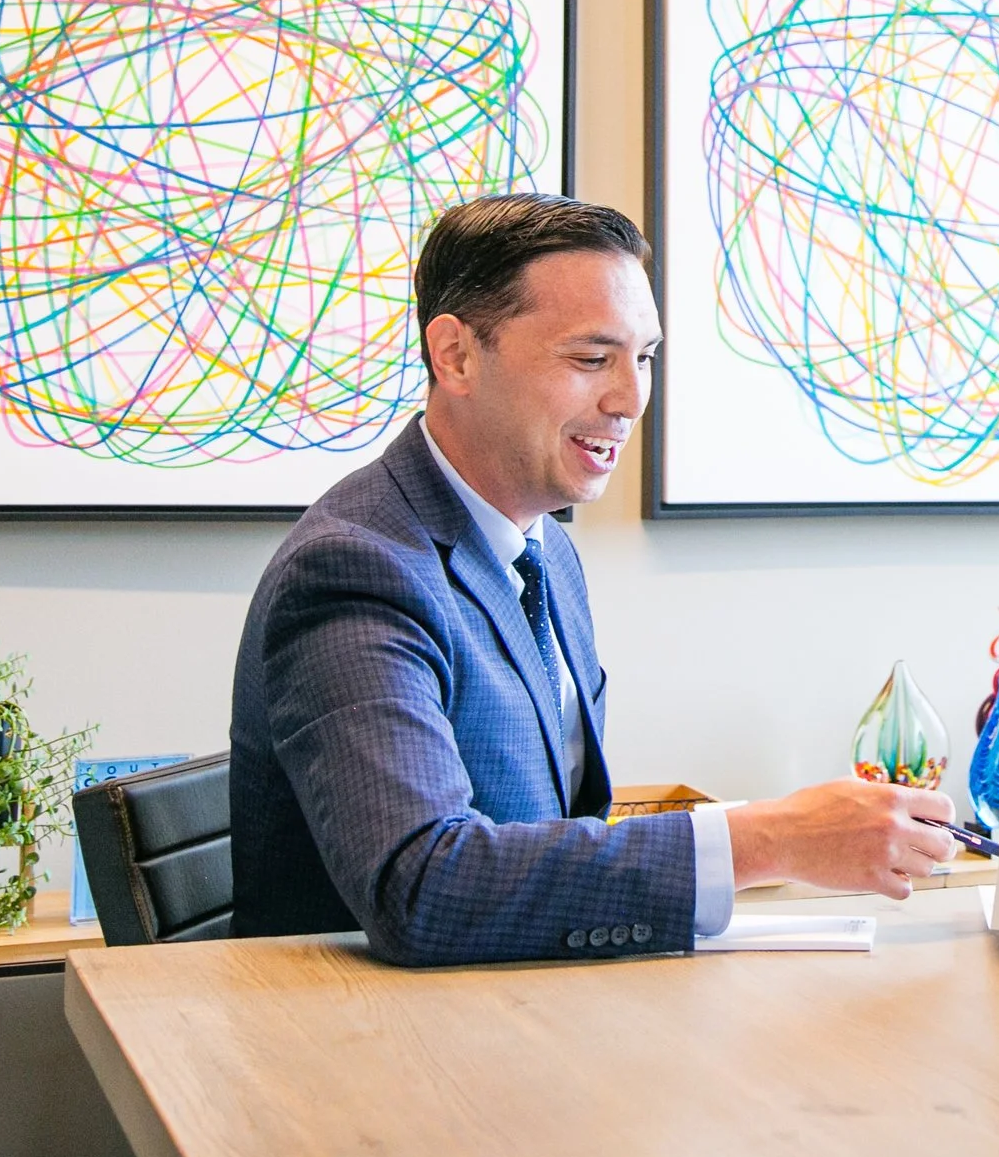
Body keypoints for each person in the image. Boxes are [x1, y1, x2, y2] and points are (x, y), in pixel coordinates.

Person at [230, 194, 955, 964]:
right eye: (590, 359)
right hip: (380, 1052)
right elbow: (423, 885)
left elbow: (559, 830)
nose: (630, 399)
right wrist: (765, 839)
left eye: (643, 357)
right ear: (456, 356)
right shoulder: (357, 565)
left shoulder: (546, 553)